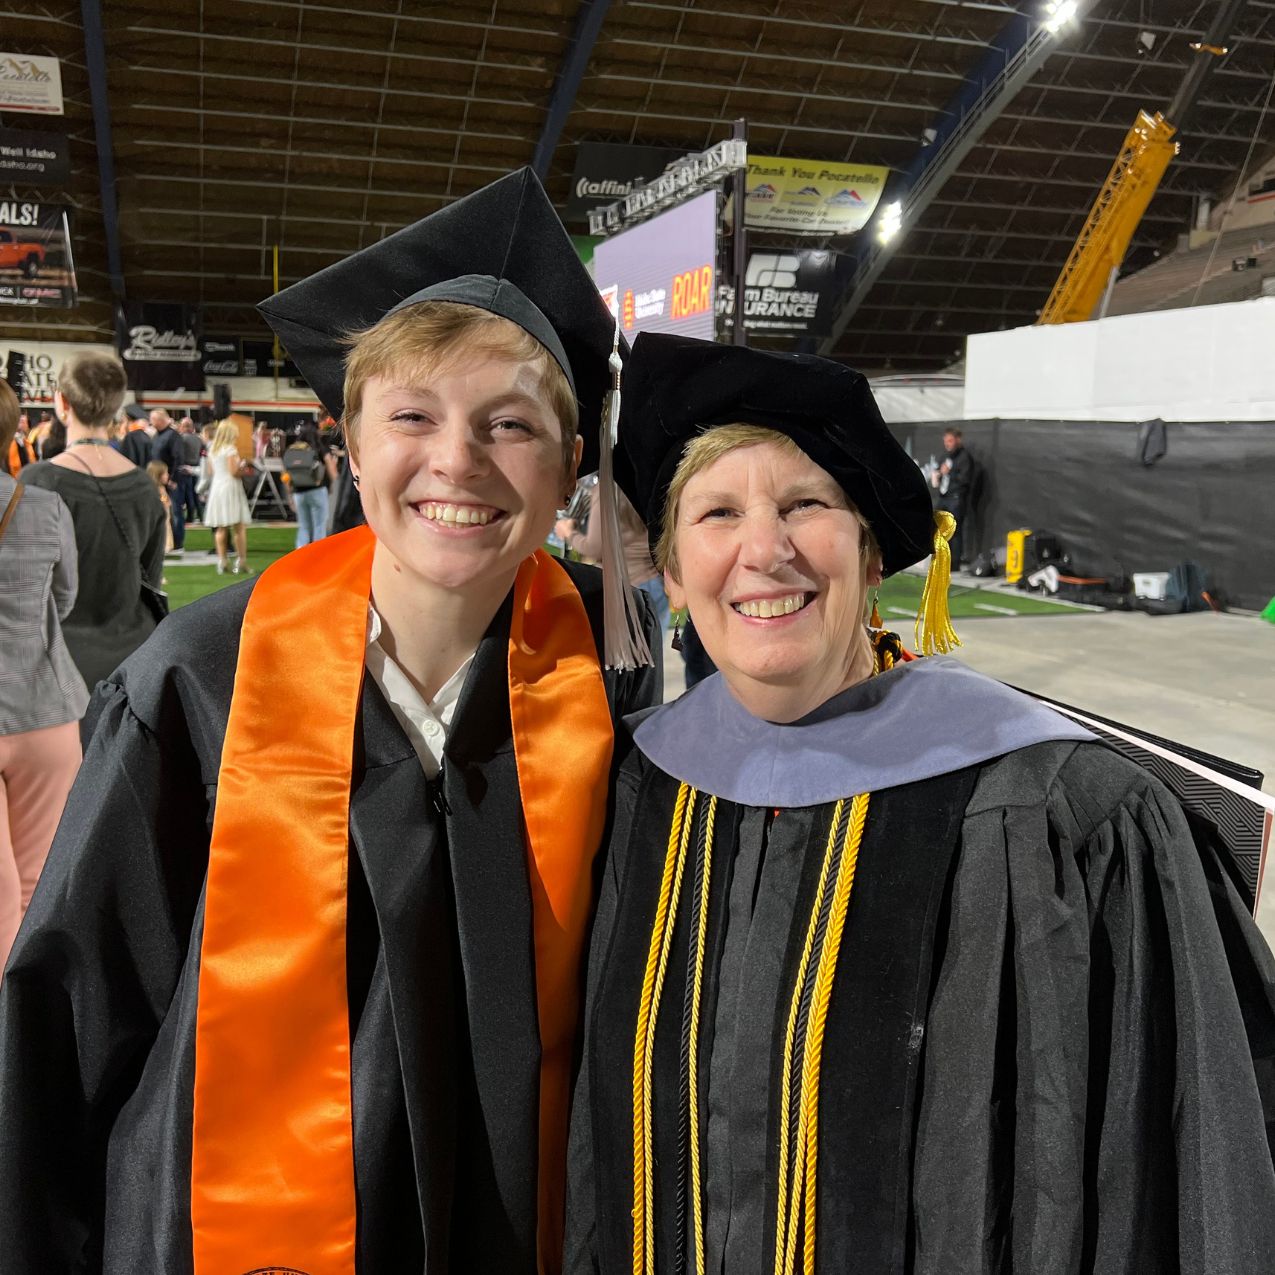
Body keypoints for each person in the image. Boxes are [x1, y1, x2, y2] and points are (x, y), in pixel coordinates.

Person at [0, 167, 661, 1275]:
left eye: (510, 425)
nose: (457, 459)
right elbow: (67, 1028)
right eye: (413, 415)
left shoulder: (613, 693)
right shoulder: (199, 683)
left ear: (569, 474)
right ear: (353, 449)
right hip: (225, 1227)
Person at [565, 333, 1275, 1274]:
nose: (762, 549)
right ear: (673, 571)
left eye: (805, 503)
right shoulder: (638, 787)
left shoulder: (1059, 810)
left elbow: (1185, 1163)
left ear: (867, 550)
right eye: (716, 511)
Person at [17, 351, 167, 707]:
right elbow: (152, 580)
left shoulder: (37, 481)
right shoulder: (144, 487)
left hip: (53, 673)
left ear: (62, 402)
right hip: (130, 669)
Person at [0, 378, 86, 973]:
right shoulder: (42, 505)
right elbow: (66, 597)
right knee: (39, 886)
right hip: (44, 711)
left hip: (35, 711)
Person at [556, 481, 670, 636]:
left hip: (623, 589)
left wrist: (569, 533)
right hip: (655, 584)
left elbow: (594, 548)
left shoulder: (607, 489)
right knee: (653, 654)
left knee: (617, 657)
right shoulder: (653, 483)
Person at [202, 419, 253, 574]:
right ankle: (241, 560)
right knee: (239, 526)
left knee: (220, 527)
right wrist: (243, 468)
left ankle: (222, 560)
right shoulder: (230, 449)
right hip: (230, 487)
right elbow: (234, 472)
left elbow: (210, 472)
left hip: (217, 487)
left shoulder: (213, 450)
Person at [283, 416, 338, 547]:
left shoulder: (293, 449)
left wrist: (289, 495)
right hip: (318, 490)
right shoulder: (320, 448)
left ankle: (300, 557)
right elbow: (332, 470)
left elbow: (285, 475)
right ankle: (319, 558)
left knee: (304, 527)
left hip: (298, 493)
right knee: (320, 526)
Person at [932, 426, 972, 569]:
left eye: (950, 441)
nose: (947, 444)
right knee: (937, 527)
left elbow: (965, 480)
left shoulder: (964, 458)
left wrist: (951, 472)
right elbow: (939, 472)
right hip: (943, 497)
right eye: (945, 441)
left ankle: (954, 563)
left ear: (957, 440)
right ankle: (939, 558)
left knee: (954, 530)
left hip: (955, 498)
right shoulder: (945, 456)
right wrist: (937, 475)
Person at [149, 409, 185, 554]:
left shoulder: (173, 436)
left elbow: (178, 458)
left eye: (153, 419)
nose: (151, 422)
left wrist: (172, 479)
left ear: (161, 420)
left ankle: (177, 543)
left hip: (170, 482)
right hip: (159, 481)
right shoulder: (157, 436)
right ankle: (166, 542)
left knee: (175, 511)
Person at [175, 415, 204, 523]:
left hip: (184, 469)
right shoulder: (198, 439)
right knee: (196, 493)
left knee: (186, 494)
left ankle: (190, 516)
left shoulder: (181, 438)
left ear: (182, 427)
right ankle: (201, 515)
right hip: (196, 468)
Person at [146, 460, 176, 554]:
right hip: (162, 515)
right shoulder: (159, 490)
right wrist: (166, 503)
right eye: (165, 473)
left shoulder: (160, 488)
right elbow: (164, 501)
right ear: (158, 475)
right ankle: (165, 546)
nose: (167, 475)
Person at [5, 411, 34, 476]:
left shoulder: (26, 441)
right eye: (21, 422)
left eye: (24, 422)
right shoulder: (7, 442)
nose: (23, 424)